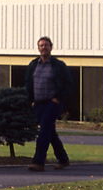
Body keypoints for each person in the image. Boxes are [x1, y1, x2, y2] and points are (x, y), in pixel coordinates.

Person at [25, 36, 72, 171]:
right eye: (41, 45)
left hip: (52, 103)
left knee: (44, 131)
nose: (43, 48)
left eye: (46, 45)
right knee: (50, 132)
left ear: (51, 47)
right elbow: (28, 83)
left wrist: (58, 98)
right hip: (38, 103)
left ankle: (38, 162)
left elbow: (68, 84)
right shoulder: (33, 65)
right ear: (38, 48)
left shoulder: (58, 65)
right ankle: (63, 159)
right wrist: (30, 100)